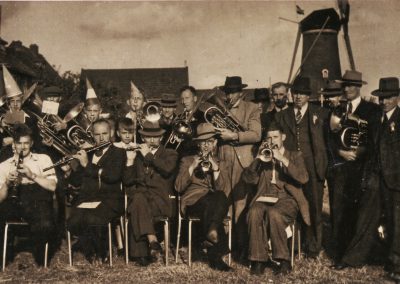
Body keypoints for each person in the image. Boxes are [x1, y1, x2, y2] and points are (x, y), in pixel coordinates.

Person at [334, 78, 400, 278]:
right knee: (365, 217)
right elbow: (370, 146)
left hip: (395, 179)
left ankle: (396, 264)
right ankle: (353, 258)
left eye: (388, 98)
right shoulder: (375, 118)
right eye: (381, 98)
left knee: (396, 221)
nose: (384, 102)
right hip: (374, 177)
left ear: (397, 97)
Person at [242, 121, 309, 275]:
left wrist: (283, 159)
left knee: (275, 214)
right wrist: (257, 160)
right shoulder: (262, 155)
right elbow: (248, 179)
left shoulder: (294, 155)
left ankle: (283, 260)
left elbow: (303, 178)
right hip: (264, 197)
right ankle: (258, 260)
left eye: (276, 137)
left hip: (287, 199)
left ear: (283, 137)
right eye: (269, 138)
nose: (272, 141)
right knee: (254, 212)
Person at [326, 71, 380, 259]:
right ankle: (339, 253)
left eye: (351, 85)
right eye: (344, 86)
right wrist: (341, 152)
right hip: (340, 168)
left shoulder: (371, 110)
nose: (347, 89)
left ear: (359, 87)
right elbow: (329, 138)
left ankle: (354, 253)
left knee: (358, 211)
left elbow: (374, 139)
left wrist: (358, 152)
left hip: (361, 168)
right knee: (338, 209)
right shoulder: (337, 109)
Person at [274, 76, 328, 258]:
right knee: (292, 203)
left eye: (303, 94)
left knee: (314, 207)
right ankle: (293, 244)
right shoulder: (282, 115)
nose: (298, 97)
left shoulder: (320, 113)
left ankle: (313, 247)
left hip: (313, 167)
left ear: (308, 96)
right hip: (291, 167)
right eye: (296, 93)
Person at [67, 119, 126, 263]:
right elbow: (75, 182)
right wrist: (74, 166)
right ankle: (90, 248)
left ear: (111, 133)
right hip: (87, 199)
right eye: (97, 134)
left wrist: (87, 164)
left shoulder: (119, 152)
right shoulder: (88, 153)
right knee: (73, 221)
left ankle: (101, 252)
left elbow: (112, 176)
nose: (101, 138)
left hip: (109, 200)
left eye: (105, 133)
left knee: (93, 218)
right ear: (92, 135)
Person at [175, 123, 232, 271]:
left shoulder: (221, 163)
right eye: (202, 142)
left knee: (218, 196)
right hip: (193, 203)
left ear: (215, 143)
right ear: (198, 144)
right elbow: (178, 187)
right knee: (212, 203)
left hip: (213, 204)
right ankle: (216, 250)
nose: (206, 146)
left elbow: (223, 190)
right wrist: (193, 166)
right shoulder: (187, 160)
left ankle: (211, 233)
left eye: (209, 142)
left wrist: (215, 168)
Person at [217, 76, 261, 259]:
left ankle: (242, 249)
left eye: (233, 92)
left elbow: (256, 134)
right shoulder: (219, 109)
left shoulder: (251, 108)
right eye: (227, 92)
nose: (229, 95)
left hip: (243, 163)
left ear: (241, 93)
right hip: (223, 161)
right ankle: (224, 247)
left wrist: (234, 135)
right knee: (222, 203)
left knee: (240, 206)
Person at [0, 124, 57, 266]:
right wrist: (7, 183)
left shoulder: (43, 159)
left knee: (44, 223)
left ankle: (41, 259)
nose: (23, 147)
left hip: (37, 199)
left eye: (26, 143)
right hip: (14, 201)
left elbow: (52, 186)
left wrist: (31, 175)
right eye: (19, 143)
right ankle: (3, 259)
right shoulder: (4, 165)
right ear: (14, 144)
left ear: (31, 143)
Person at [124, 120, 178, 266]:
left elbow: (166, 170)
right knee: (138, 199)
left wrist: (148, 155)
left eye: (156, 136)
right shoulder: (138, 156)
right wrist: (129, 161)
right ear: (143, 138)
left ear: (161, 138)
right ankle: (151, 238)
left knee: (137, 201)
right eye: (148, 137)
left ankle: (141, 253)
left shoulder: (170, 154)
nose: (152, 140)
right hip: (141, 200)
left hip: (160, 202)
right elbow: (128, 182)